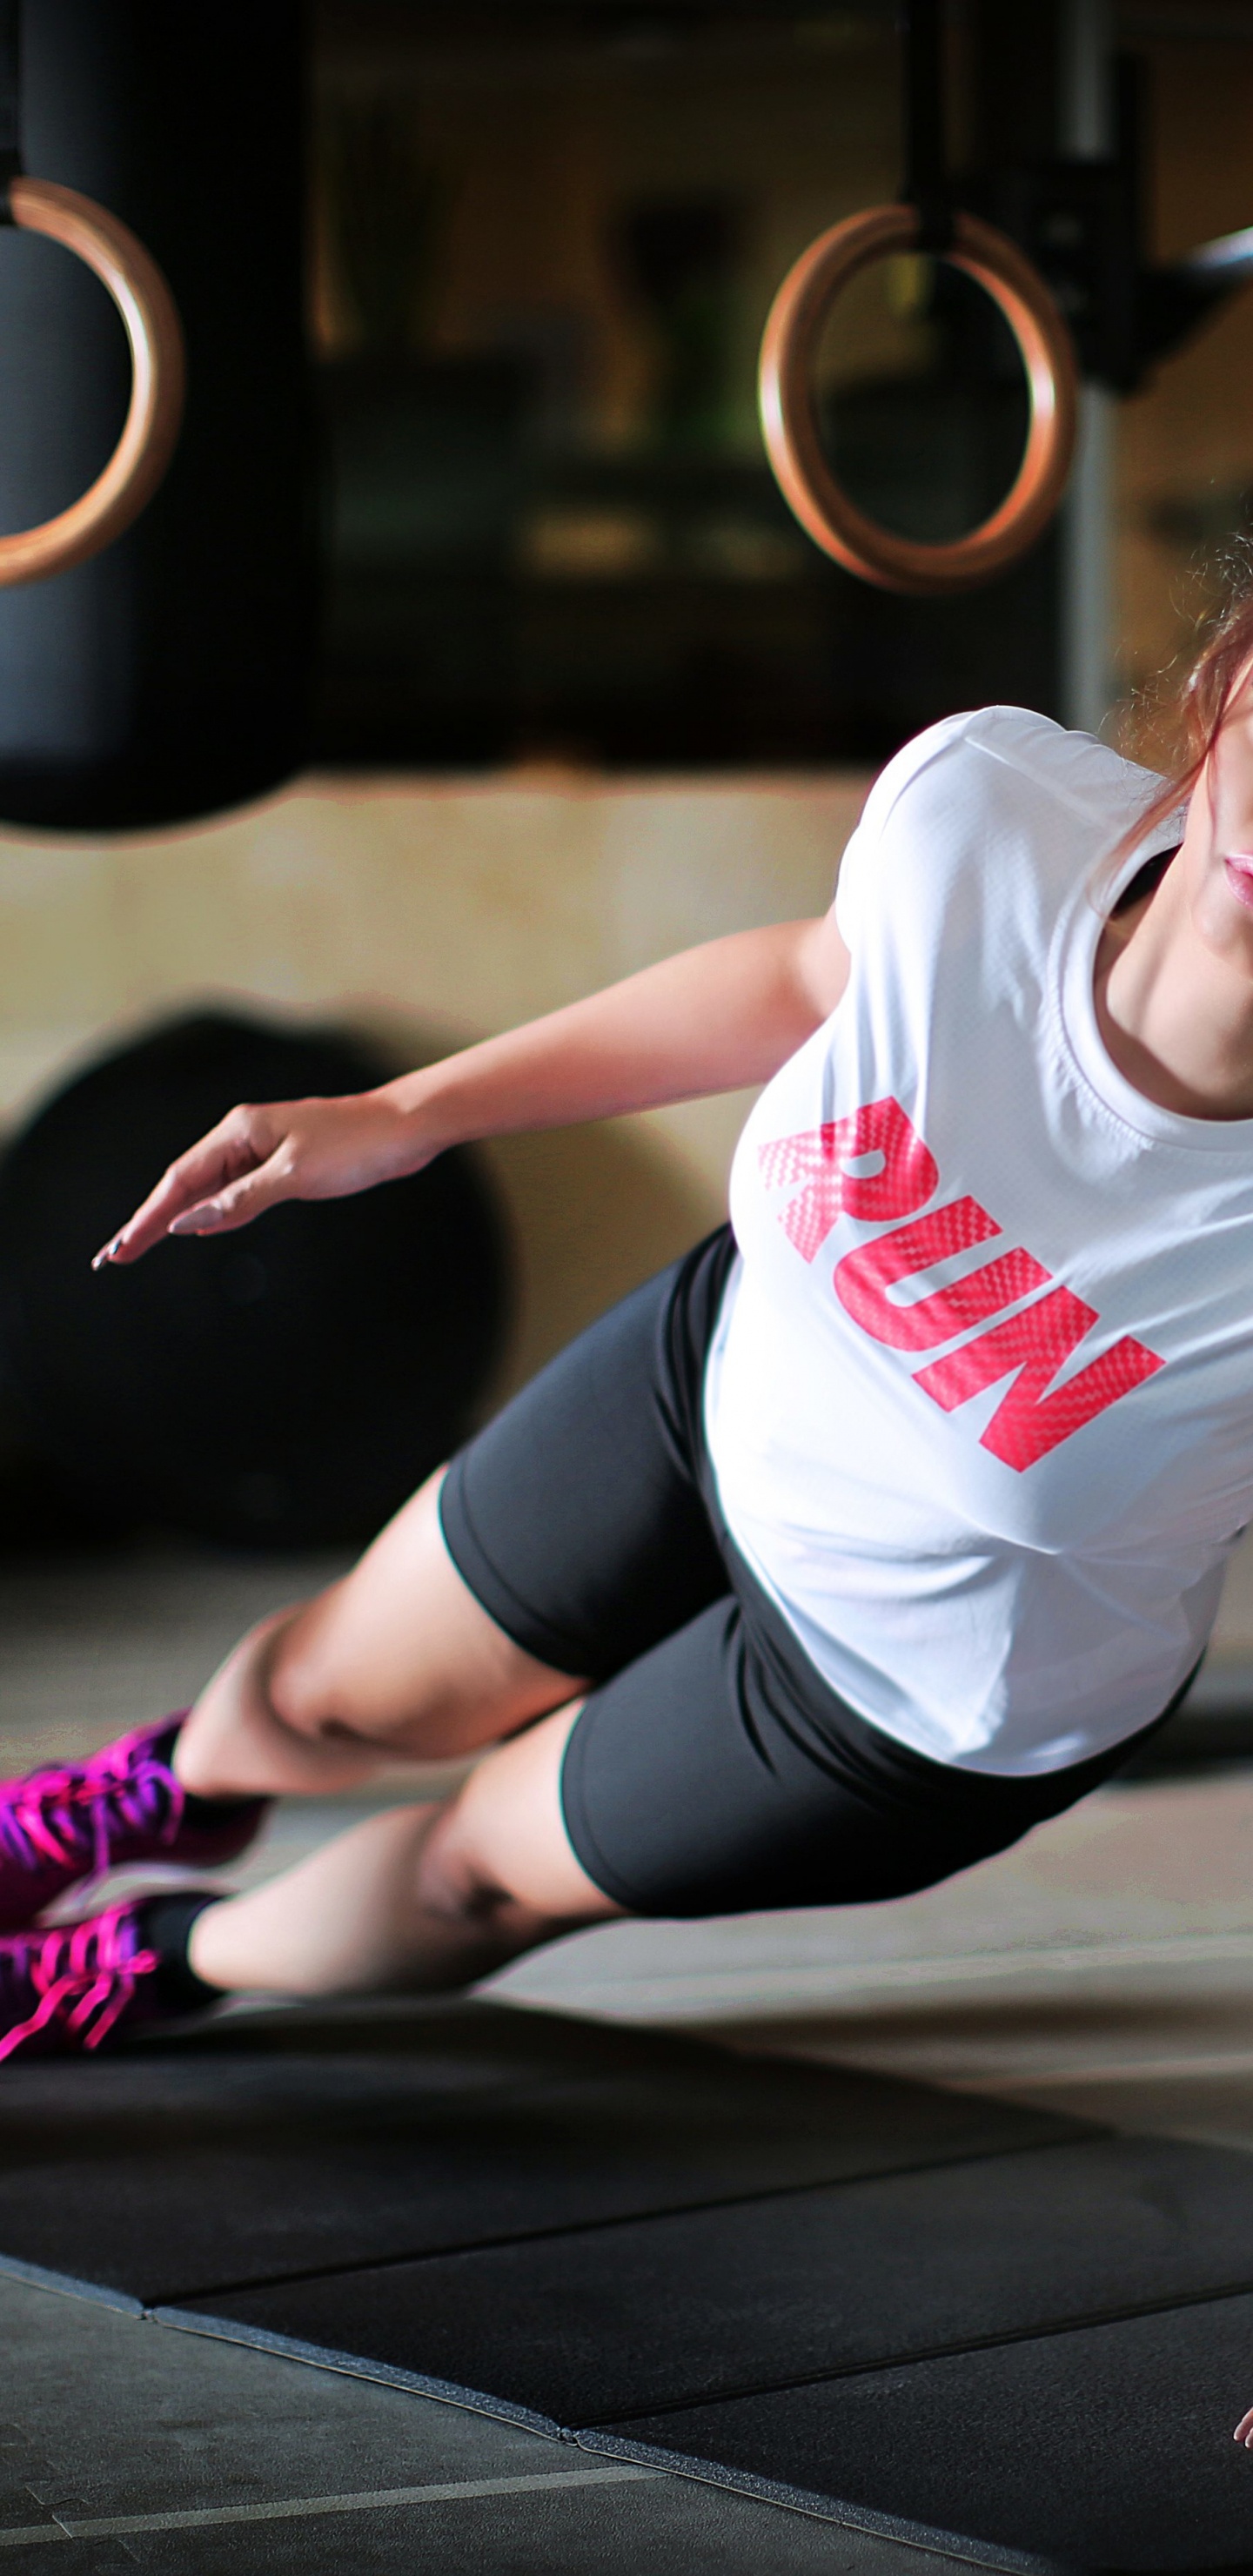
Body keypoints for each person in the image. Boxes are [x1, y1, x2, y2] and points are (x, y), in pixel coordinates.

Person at [3, 600, 1253, 2095]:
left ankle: (153, 1962)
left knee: (473, 1873)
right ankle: (157, 1791)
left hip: (903, 1684)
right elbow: (807, 981)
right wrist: (400, 1119)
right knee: (313, 1696)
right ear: (1226, 683)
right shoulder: (993, 814)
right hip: (717, 1385)